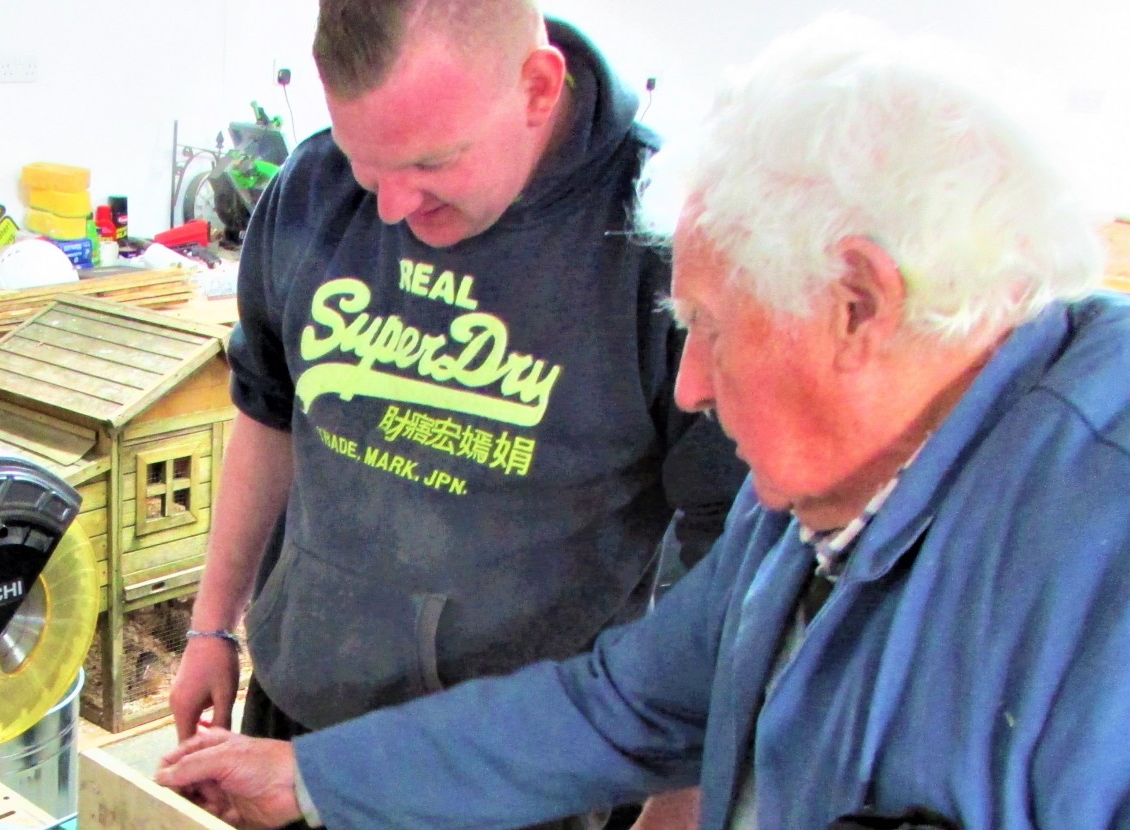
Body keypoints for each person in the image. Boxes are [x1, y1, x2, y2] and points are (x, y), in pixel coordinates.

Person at [155, 15, 1130, 830]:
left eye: (713, 328)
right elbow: (623, 706)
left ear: (858, 304)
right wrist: (316, 777)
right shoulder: (808, 505)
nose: (692, 385)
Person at [169, 3, 744, 825]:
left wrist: (675, 811)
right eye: (369, 167)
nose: (393, 209)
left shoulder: (663, 241)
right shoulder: (314, 186)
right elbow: (268, 408)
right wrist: (211, 626)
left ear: (537, 89)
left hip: (520, 784)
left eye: (430, 163)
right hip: (297, 726)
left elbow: (727, 571)